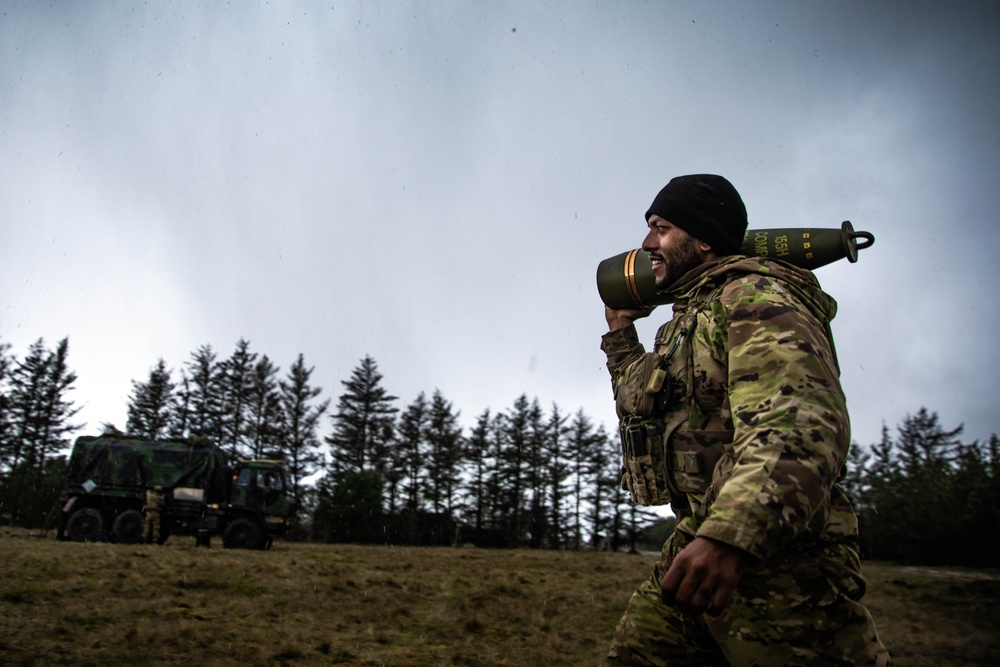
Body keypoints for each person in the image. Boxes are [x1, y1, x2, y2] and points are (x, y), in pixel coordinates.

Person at [599, 175, 891, 666]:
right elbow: (642, 401)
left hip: (779, 568)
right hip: (699, 543)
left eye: (662, 228)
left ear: (705, 238)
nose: (647, 243)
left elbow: (798, 425)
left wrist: (730, 534)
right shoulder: (692, 316)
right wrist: (621, 332)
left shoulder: (755, 300)